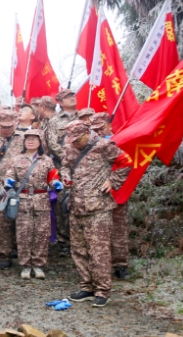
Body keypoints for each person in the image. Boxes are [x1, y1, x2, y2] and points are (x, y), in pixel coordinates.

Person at [62, 120, 131, 308]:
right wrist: (66, 176)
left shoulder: (104, 146)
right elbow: (65, 166)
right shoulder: (70, 148)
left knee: (98, 251)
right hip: (76, 206)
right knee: (78, 249)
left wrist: (113, 181)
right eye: (72, 140)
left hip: (98, 207)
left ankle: (102, 290)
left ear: (87, 134)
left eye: (77, 140)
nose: (74, 143)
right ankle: (86, 287)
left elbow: (126, 162)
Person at [4, 129, 62, 280]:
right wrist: (8, 181)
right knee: (23, 233)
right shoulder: (16, 159)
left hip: (41, 198)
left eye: (34, 139)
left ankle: (38, 264)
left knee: (41, 233)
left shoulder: (47, 160)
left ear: (40, 142)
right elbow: (9, 174)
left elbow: (53, 176)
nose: (30, 141)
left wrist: (56, 183)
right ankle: (24, 265)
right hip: (22, 198)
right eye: (27, 139)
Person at [90, 113, 130, 280]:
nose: (99, 132)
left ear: (109, 126)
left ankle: (120, 265)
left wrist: (114, 181)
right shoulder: (88, 146)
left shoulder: (120, 142)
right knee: (96, 232)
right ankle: (98, 266)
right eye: (95, 129)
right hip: (94, 194)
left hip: (115, 192)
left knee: (118, 229)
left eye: (101, 128)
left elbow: (127, 163)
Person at [0, 109, 24, 269]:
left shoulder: (23, 139)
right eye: (3, 126)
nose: (6, 129)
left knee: (21, 221)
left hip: (20, 187)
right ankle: (4, 254)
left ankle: (20, 252)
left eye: (10, 126)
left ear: (16, 123)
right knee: (2, 223)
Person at [47, 89, 78, 256]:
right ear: (60, 102)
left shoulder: (84, 117)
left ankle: (80, 240)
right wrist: (68, 158)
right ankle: (64, 240)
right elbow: (52, 144)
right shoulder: (55, 121)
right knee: (63, 203)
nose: (72, 99)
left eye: (73, 96)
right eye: (67, 97)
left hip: (85, 168)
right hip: (62, 167)